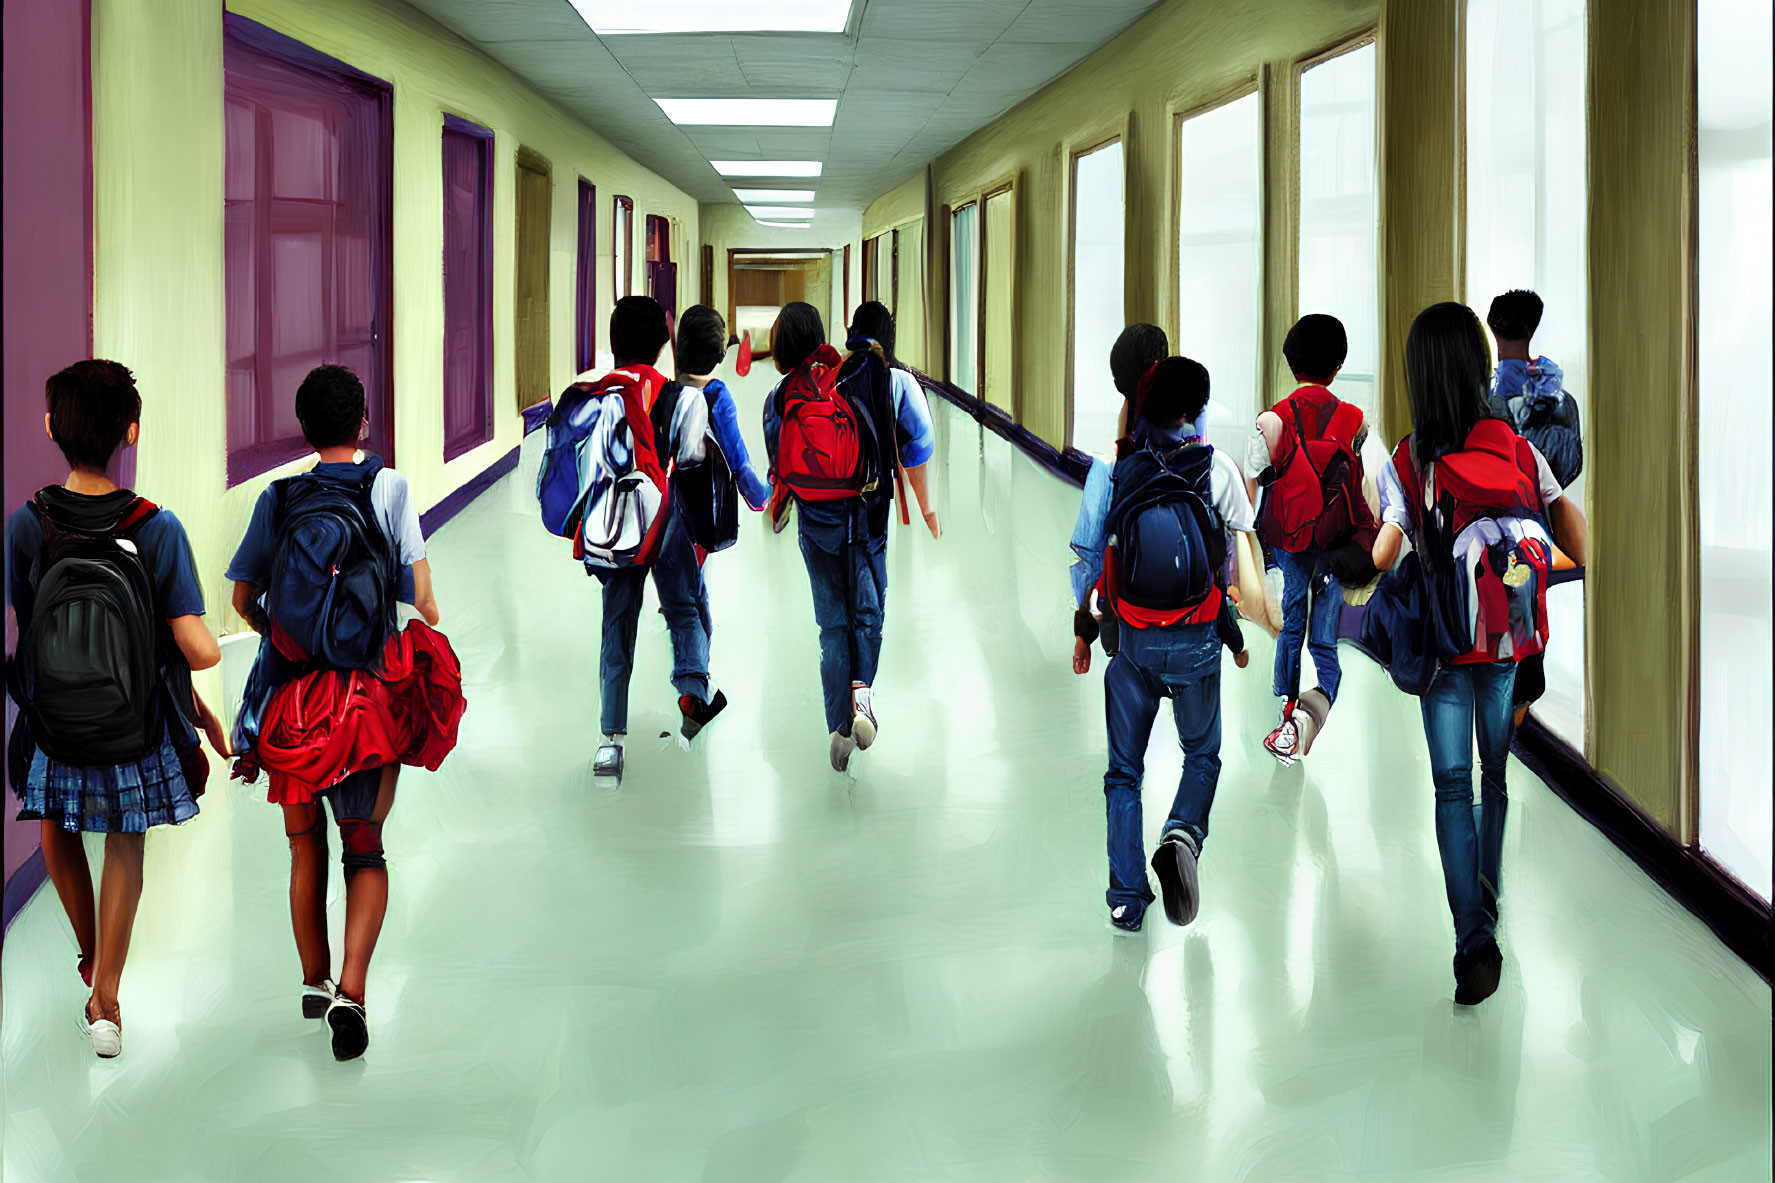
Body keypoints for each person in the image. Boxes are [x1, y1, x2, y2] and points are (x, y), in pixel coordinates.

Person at [227, 363, 459, 1061]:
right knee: (365, 848)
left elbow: (241, 600)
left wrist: (288, 632)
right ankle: (352, 992)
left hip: (293, 703)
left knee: (304, 847)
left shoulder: (278, 496)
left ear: (304, 428)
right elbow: (421, 593)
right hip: (363, 705)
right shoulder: (389, 487)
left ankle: (313, 979)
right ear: (363, 422)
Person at [5, 359, 226, 1059]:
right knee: (126, 842)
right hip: (136, 726)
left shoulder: (25, 523)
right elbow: (198, 649)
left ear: (50, 427)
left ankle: (88, 955)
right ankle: (107, 996)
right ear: (131, 431)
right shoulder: (155, 528)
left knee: (56, 826)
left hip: (55, 721)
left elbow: (28, 624)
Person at [1371, 301, 1589, 1006]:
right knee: (1493, 778)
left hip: (1442, 649)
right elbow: (1575, 546)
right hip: (1501, 642)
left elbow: (1382, 555)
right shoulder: (1517, 448)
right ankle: (1487, 904)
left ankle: (1472, 939)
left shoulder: (1409, 458)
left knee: (1451, 788)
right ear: (1476, 364)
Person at [1070, 357, 1264, 933]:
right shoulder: (1218, 468)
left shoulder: (1112, 470)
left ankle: (1126, 898)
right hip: (1199, 645)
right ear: (1197, 411)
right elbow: (1246, 583)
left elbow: (1086, 566)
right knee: (1202, 755)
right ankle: (1182, 832)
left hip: (1132, 647)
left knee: (1123, 774)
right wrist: (1252, 628)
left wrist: (1083, 632)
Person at [762, 300, 940, 772]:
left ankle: (838, 728)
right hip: (866, 519)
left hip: (816, 526)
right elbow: (921, 442)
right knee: (869, 614)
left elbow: (780, 466)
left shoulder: (778, 399)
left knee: (832, 627)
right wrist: (925, 505)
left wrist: (777, 506)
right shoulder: (882, 376)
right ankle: (864, 698)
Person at [577, 296, 719, 783]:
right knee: (684, 611)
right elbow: (692, 462)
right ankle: (692, 702)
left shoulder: (597, 397)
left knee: (616, 624)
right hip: (669, 519)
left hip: (616, 526)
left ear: (615, 343)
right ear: (663, 345)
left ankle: (610, 744)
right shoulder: (686, 399)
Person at [1243, 314, 1371, 765]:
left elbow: (1254, 480)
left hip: (1290, 536)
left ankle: (1287, 707)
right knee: (1324, 632)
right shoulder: (1355, 419)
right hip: (1335, 537)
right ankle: (1316, 708)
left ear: (1291, 363)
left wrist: (1253, 546)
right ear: (1339, 365)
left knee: (1291, 621)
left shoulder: (1273, 420)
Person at [658, 304, 770, 739]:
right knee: (691, 599)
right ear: (719, 355)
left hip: (664, 509)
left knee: (687, 600)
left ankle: (695, 689)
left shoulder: (666, 395)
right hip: (698, 515)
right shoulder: (717, 397)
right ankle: (695, 687)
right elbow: (739, 461)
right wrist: (761, 499)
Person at [1485, 289, 1584, 727]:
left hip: (1495, 524)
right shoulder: (1559, 395)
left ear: (1494, 331)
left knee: (1498, 604)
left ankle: (1507, 700)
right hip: (1539, 526)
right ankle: (1524, 694)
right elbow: (1573, 462)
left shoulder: (1487, 398)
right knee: (1528, 600)